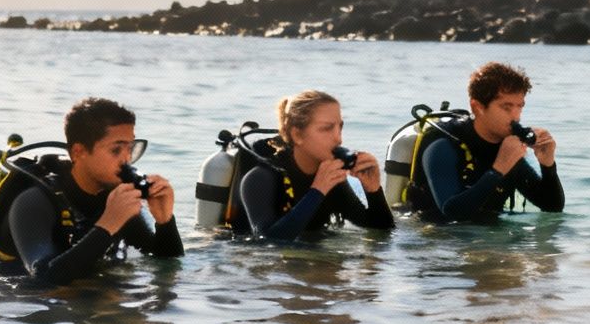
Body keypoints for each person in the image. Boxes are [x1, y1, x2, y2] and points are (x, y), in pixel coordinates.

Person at [7, 97, 181, 285]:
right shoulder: (34, 201)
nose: (127, 160)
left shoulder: (111, 198)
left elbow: (167, 264)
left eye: (130, 149)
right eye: (116, 150)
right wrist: (109, 224)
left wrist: (165, 222)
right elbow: (43, 278)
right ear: (78, 152)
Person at [409, 62, 563, 224]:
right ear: (477, 107)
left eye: (520, 107)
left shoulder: (504, 147)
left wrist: (548, 165)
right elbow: (452, 212)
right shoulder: (442, 145)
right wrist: (499, 170)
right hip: (439, 239)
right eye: (506, 107)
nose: (516, 116)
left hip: (484, 237)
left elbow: (552, 206)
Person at [238, 90, 394, 241]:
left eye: (340, 127)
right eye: (326, 129)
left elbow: (381, 229)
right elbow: (267, 241)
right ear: (297, 135)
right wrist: (318, 191)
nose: (338, 139)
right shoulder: (260, 178)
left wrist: (373, 191)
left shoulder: (331, 179)